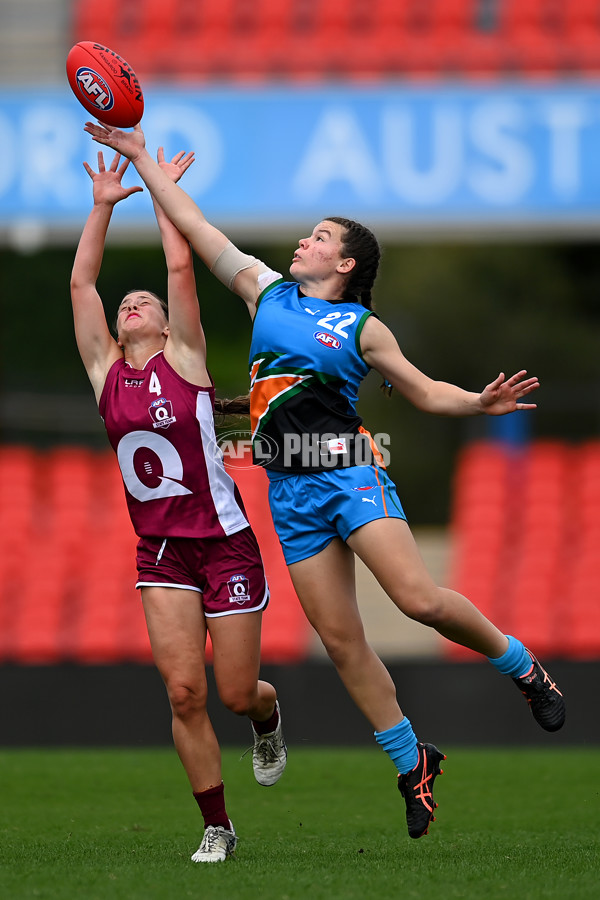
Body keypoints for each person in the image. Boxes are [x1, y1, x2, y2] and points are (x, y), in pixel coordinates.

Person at [83, 121, 566, 841]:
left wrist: (477, 401)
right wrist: (141, 161)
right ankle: (413, 763)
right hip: (290, 493)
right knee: (342, 642)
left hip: (346, 473)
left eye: (318, 238)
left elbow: (426, 391)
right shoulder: (263, 291)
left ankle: (524, 667)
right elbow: (191, 224)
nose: (303, 242)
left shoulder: (360, 326)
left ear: (343, 264)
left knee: (417, 599)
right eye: (307, 234)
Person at [69, 147, 287, 864]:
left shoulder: (185, 360)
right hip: (160, 548)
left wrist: (162, 198)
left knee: (231, 693)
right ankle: (217, 825)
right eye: (125, 305)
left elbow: (181, 269)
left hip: (224, 542)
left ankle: (266, 712)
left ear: (166, 328)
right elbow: (81, 282)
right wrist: (103, 204)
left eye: (146, 306)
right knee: (185, 692)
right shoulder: (105, 372)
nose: (131, 306)